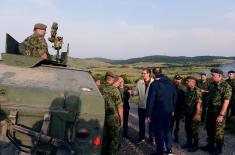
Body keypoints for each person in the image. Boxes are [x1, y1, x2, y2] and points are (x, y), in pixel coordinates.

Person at [146, 67, 177, 155]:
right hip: (168, 112)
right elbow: (175, 96)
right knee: (167, 130)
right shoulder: (171, 83)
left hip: (157, 113)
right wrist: (173, 109)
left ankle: (160, 151)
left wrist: (148, 113)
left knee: (159, 131)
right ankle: (169, 150)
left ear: (153, 74)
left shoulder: (154, 84)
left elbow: (151, 99)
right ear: (162, 72)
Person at [201, 68, 232, 154]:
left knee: (218, 132)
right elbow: (210, 94)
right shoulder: (212, 84)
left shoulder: (226, 86)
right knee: (209, 129)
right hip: (210, 111)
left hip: (219, 112)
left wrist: (221, 115)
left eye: (213, 75)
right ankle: (210, 145)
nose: (212, 76)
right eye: (212, 75)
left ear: (220, 76)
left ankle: (218, 149)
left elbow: (226, 101)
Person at [100, 71, 123, 155]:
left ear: (105, 78)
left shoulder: (99, 88)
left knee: (104, 138)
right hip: (113, 119)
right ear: (112, 79)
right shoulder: (115, 90)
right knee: (114, 140)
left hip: (102, 118)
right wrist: (122, 120)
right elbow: (120, 107)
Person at [131, 68, 154, 144]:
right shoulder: (139, 82)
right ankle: (141, 138)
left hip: (151, 108)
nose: (142, 75)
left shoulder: (154, 82)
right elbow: (137, 92)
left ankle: (152, 138)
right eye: (142, 73)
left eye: (144, 73)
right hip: (141, 106)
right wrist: (132, 92)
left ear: (148, 74)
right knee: (141, 123)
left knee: (151, 123)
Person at [183, 76, 202, 152]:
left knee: (195, 130)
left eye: (188, 81)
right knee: (187, 128)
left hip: (194, 113)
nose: (186, 82)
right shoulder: (187, 90)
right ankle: (189, 143)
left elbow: (198, 104)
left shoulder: (197, 90)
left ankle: (195, 145)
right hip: (188, 112)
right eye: (186, 81)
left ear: (193, 82)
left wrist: (196, 115)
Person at [170, 74, 186, 143]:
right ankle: (169, 136)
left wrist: (183, 110)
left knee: (177, 124)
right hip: (172, 108)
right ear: (174, 79)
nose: (177, 80)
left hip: (180, 109)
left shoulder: (183, 88)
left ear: (181, 80)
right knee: (171, 123)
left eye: (178, 79)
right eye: (176, 79)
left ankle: (176, 136)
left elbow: (185, 99)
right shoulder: (170, 87)